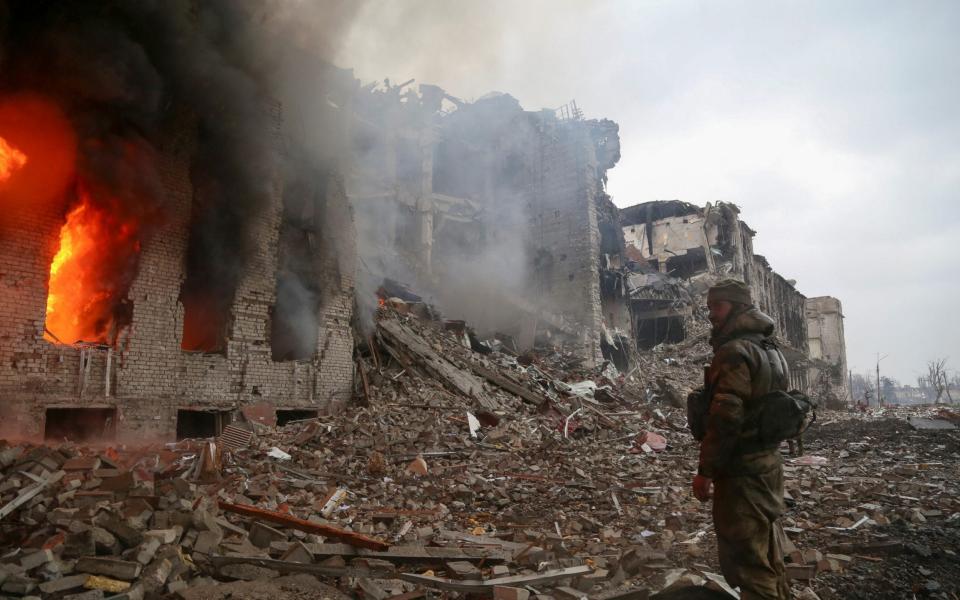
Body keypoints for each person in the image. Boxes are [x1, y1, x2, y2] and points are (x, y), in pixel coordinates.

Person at [693, 279, 791, 600]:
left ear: (737, 306)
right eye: (709, 308)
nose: (711, 315)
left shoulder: (734, 352)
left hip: (742, 474)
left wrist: (706, 471)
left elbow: (726, 418)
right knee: (769, 552)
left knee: (749, 561)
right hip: (768, 466)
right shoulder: (770, 349)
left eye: (717, 307)